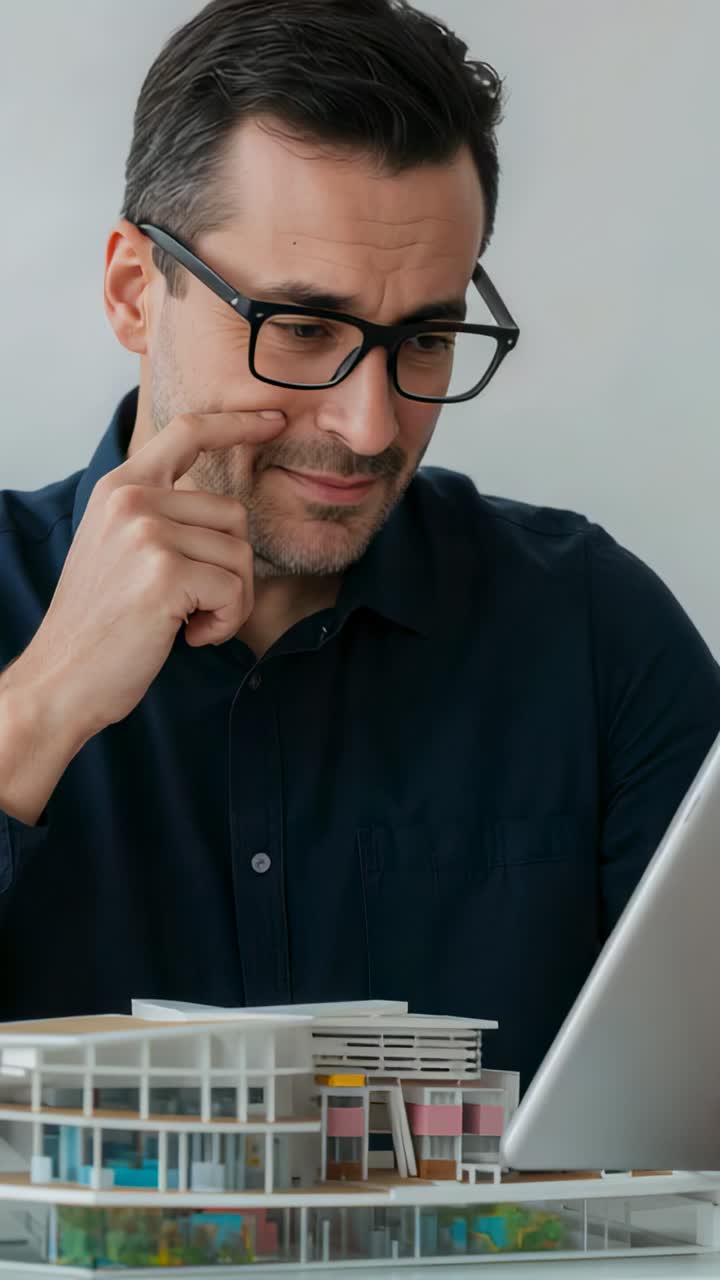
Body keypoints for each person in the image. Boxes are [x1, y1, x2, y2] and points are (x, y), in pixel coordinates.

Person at [0, 0, 718, 1094]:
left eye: (424, 339)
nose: (370, 425)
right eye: (301, 329)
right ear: (136, 291)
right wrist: (37, 708)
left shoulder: (595, 636)